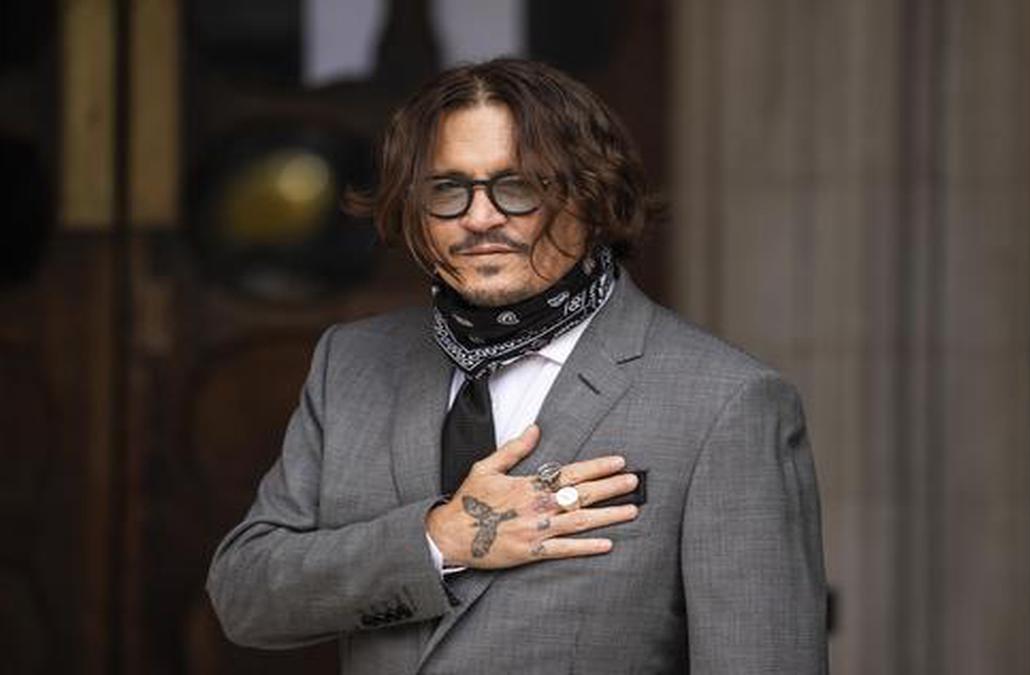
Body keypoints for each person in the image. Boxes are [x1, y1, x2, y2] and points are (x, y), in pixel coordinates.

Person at [207, 58, 827, 674]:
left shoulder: (726, 402)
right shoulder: (352, 363)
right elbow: (244, 596)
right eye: (447, 189)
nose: (480, 217)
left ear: (593, 195)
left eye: (520, 186)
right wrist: (438, 539)